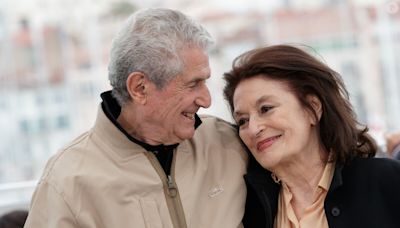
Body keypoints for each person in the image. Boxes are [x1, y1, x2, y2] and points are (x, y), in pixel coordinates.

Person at [24, 8, 247, 228]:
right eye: (193, 84)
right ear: (139, 88)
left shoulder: (230, 143)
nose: (206, 100)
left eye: (204, 82)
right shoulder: (67, 183)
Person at [223, 44, 400, 228]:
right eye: (242, 120)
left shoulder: (386, 181)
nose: (253, 128)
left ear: (313, 108)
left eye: (266, 109)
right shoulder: (249, 208)